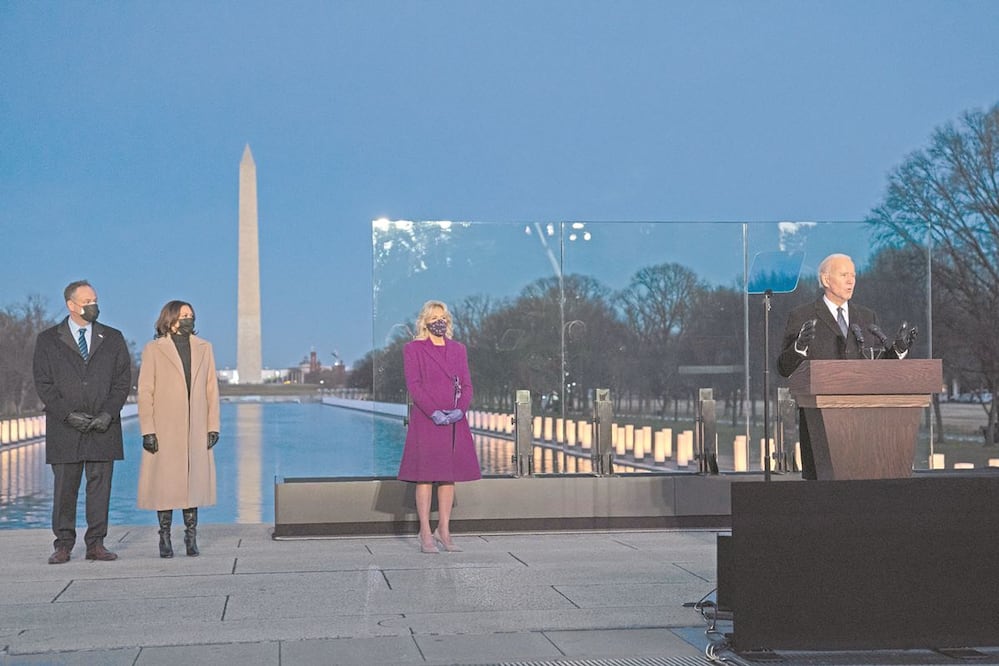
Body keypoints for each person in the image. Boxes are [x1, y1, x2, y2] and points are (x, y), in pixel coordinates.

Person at [777, 253, 917, 479]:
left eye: (853, 275)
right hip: (820, 424)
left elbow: (877, 369)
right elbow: (784, 368)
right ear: (825, 280)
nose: (851, 280)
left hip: (866, 426)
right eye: (844, 275)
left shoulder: (866, 316)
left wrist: (898, 350)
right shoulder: (802, 316)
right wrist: (799, 347)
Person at [32, 280, 132, 564]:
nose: (93, 305)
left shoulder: (113, 338)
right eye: (87, 300)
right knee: (65, 489)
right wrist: (67, 414)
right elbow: (44, 384)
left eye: (95, 299)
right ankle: (63, 544)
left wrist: (108, 413)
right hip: (65, 427)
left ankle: (96, 544)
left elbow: (122, 382)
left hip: (103, 426)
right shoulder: (48, 340)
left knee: (100, 489)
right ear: (71, 305)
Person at [136, 300, 220, 558]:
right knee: (166, 485)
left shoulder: (205, 348)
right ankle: (164, 536)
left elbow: (211, 390)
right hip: (165, 426)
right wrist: (148, 429)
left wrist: (212, 425)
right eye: (183, 315)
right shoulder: (154, 349)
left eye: (191, 315)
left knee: (191, 483)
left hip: (195, 426)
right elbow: (145, 391)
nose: (188, 319)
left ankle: (190, 536)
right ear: (170, 319)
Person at [397, 300, 481, 553]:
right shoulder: (413, 349)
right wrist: (433, 412)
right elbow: (414, 385)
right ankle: (425, 532)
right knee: (424, 477)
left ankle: (444, 530)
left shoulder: (458, 349)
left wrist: (460, 410)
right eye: (434, 317)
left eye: (443, 316)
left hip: (453, 421)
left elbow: (466, 385)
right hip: (427, 419)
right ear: (425, 321)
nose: (439, 321)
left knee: (448, 477)